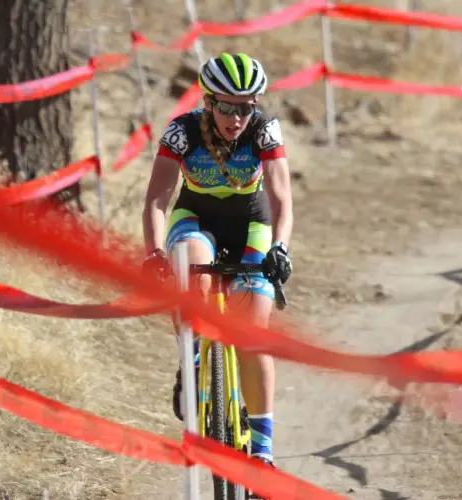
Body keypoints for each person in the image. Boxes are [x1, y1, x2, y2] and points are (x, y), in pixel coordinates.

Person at [140, 52, 293, 474]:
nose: (237, 116)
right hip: (196, 220)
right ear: (208, 102)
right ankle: (189, 358)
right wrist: (152, 253)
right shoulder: (182, 131)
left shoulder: (264, 131)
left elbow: (281, 198)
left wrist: (280, 247)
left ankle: (262, 451)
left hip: (251, 224)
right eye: (227, 106)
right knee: (190, 267)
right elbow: (156, 199)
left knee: (252, 333)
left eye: (246, 107)